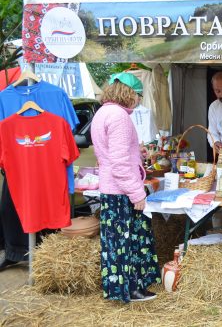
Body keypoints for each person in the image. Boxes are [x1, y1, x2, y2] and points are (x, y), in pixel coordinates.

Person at [91, 72, 161, 303]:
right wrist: (136, 192)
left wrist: (135, 152)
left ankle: (119, 290)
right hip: (121, 191)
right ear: (130, 93)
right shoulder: (120, 117)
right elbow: (119, 163)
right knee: (127, 243)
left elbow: (113, 153)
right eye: (139, 96)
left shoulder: (103, 113)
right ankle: (132, 290)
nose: (139, 101)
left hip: (111, 189)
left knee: (115, 244)